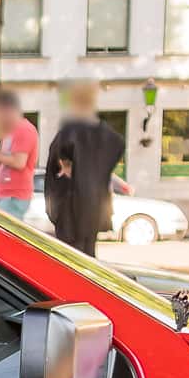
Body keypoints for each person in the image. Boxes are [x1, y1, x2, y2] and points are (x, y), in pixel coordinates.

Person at [40, 83, 125, 252]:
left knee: (72, 257)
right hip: (93, 207)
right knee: (87, 253)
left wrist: (69, 168)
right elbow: (117, 144)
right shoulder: (104, 135)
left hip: (70, 208)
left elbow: (56, 163)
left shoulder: (70, 132)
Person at [0, 91, 41, 221]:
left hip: (15, 195)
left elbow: (19, 162)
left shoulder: (24, 129)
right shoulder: (9, 131)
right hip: (6, 194)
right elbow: (2, 162)